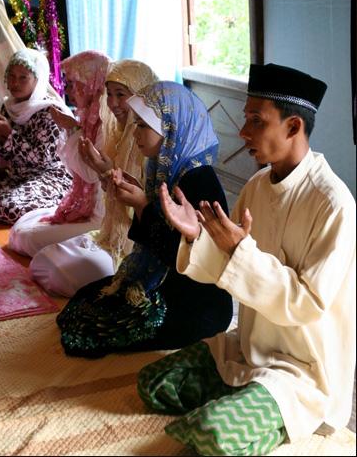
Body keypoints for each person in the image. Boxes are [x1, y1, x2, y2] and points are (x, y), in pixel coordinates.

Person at [137, 64, 356, 456]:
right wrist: (196, 235)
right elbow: (228, 267)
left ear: (293, 127)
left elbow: (306, 305)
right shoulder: (257, 186)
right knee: (154, 382)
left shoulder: (334, 204)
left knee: (209, 433)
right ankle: (244, 395)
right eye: (245, 119)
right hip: (250, 346)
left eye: (256, 121)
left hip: (302, 370)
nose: (243, 132)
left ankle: (273, 411)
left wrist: (242, 252)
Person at [55, 81, 233, 358]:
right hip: (165, 280)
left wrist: (141, 205)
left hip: (195, 300)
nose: (134, 132)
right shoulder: (163, 167)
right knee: (84, 299)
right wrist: (137, 200)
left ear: (171, 128)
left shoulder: (198, 179)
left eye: (142, 125)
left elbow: (189, 257)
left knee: (88, 331)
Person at [27, 59, 159, 296]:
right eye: (109, 94)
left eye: (121, 94)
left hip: (135, 241)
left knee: (56, 272)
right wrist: (103, 170)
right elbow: (107, 187)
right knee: (42, 260)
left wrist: (103, 170)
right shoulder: (115, 132)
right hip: (109, 230)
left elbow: (143, 210)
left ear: (141, 95)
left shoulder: (151, 142)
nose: (113, 103)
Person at [8, 50, 112, 256]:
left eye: (74, 84)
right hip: (83, 203)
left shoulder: (106, 122)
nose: (69, 91)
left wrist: (72, 129)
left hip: (101, 217)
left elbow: (90, 173)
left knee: (25, 239)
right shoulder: (89, 115)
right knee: (20, 228)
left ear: (91, 83)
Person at [0, 48, 73, 224]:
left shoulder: (50, 111)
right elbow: (7, 155)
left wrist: (7, 133)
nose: (15, 83)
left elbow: (42, 158)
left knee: (12, 207)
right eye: (11, 76)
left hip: (48, 176)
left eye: (23, 77)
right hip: (18, 177)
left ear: (38, 79)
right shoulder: (9, 107)